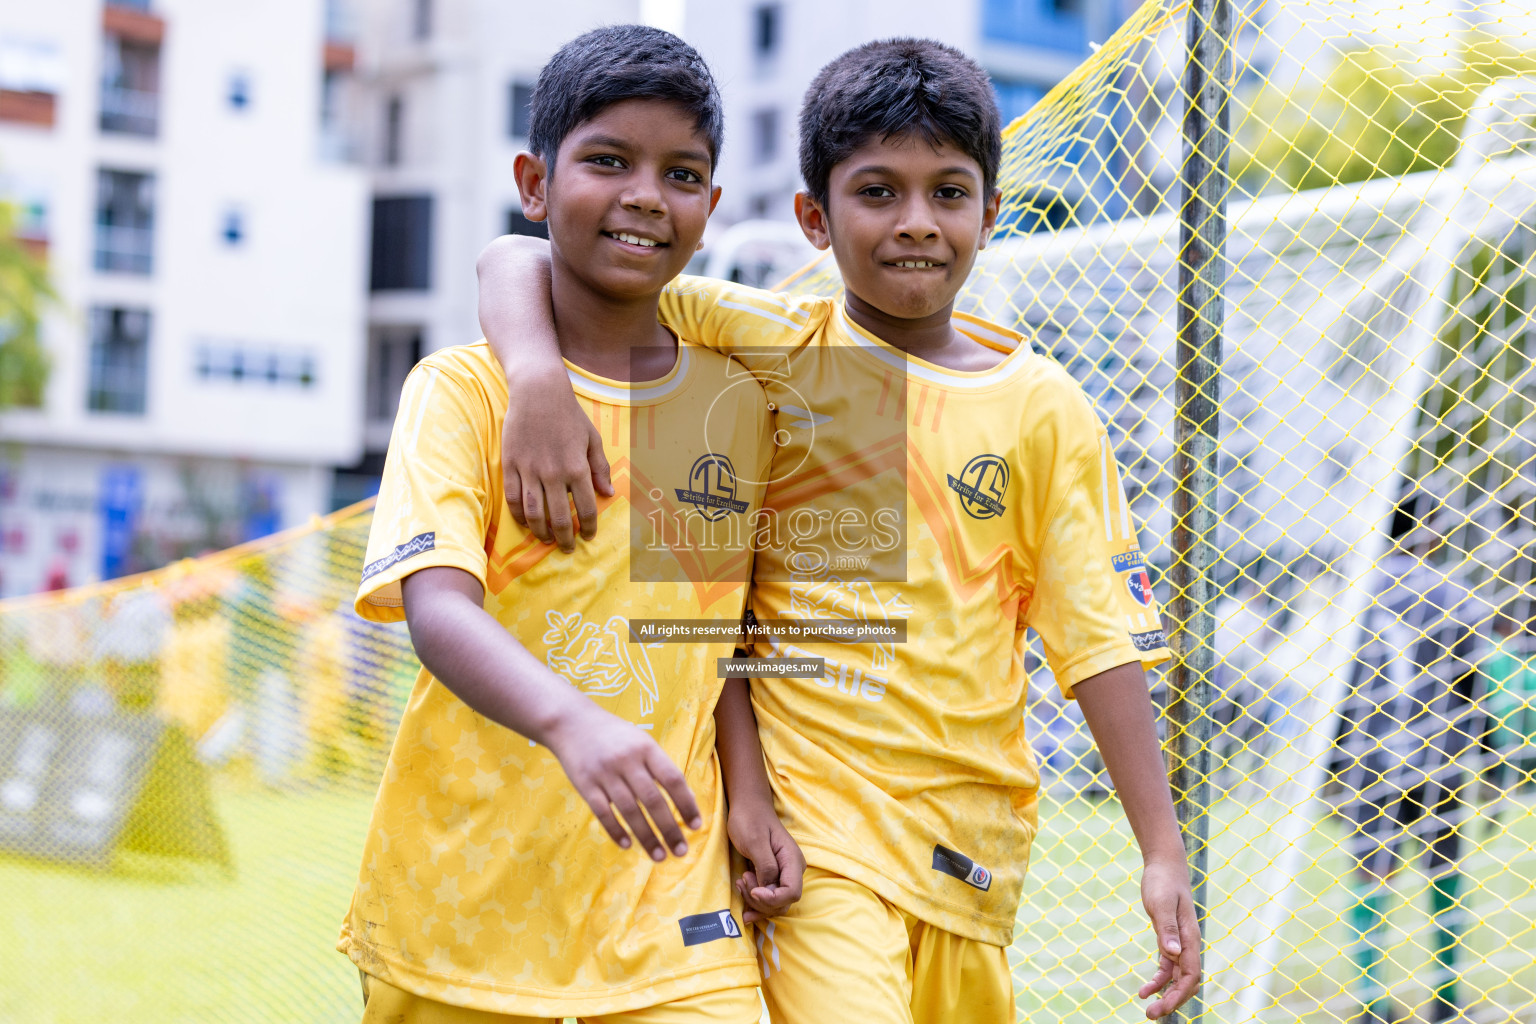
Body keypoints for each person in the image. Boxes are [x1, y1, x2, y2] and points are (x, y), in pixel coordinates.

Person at [475, 38, 1201, 1024]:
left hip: (976, 856)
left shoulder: (1047, 408)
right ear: (814, 219)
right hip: (819, 848)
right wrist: (534, 376)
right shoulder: (760, 348)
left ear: (991, 213)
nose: (916, 223)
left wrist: (1159, 847)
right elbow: (519, 255)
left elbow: (1097, 642)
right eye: (877, 192)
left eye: (948, 193)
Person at [338, 26, 801, 1024]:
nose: (644, 194)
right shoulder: (460, 392)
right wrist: (571, 722)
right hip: (461, 906)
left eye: (681, 173)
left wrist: (751, 790)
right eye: (607, 160)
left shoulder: (737, 400)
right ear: (534, 182)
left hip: (671, 909)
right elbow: (439, 612)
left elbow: (710, 629)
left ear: (713, 208)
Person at [1332, 493, 1494, 1024]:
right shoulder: (1457, 594)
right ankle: (1445, 997)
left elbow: (1337, 683)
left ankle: (1373, 1001)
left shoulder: (1358, 593)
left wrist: (1336, 762)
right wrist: (1488, 761)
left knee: (1369, 872)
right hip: (1438, 754)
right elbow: (1478, 685)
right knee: (1442, 868)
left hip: (1372, 755)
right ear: (1426, 528)